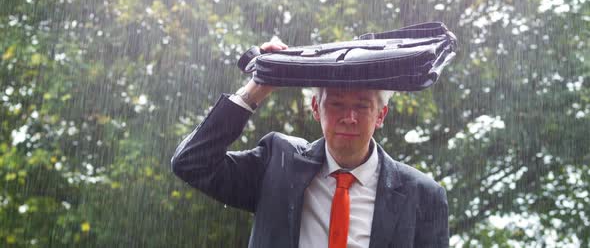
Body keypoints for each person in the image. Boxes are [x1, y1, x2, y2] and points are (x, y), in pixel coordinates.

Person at [171, 40, 449, 248]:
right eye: (337, 104)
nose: (349, 118)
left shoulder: (423, 195)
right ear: (316, 108)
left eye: (362, 107)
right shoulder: (277, 165)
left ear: (381, 115)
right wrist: (258, 86)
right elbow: (192, 163)